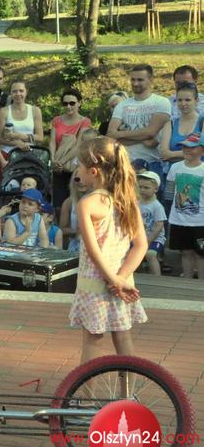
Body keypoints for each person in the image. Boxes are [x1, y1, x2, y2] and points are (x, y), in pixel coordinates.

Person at [70, 137, 147, 366]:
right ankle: (128, 387)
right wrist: (120, 279)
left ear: (93, 171)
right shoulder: (127, 200)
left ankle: (86, 389)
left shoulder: (87, 204)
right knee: (123, 336)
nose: (77, 171)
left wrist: (112, 280)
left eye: (79, 165)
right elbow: (141, 245)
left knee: (92, 341)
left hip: (94, 284)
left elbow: (93, 252)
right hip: (122, 282)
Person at [106, 64, 171, 189]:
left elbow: (151, 132)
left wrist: (121, 134)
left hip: (152, 164)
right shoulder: (122, 105)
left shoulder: (161, 102)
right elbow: (111, 134)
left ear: (151, 80)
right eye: (133, 79)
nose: (135, 83)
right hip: (126, 163)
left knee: (151, 201)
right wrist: (143, 138)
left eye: (140, 80)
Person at [166, 135, 204, 279]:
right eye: (185, 146)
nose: (187, 149)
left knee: (201, 254)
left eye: (192, 147)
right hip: (179, 220)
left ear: (202, 151)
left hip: (200, 222)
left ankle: (200, 285)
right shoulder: (175, 167)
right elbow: (170, 191)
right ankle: (187, 282)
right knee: (185, 252)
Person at [49, 89, 92, 210]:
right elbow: (52, 142)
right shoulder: (57, 120)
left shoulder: (85, 121)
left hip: (75, 166)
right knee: (58, 204)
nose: (68, 106)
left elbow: (79, 144)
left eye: (72, 103)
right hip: (58, 167)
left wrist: (60, 162)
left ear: (79, 103)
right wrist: (53, 160)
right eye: (65, 103)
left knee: (75, 202)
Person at [0, 81, 44, 155]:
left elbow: (40, 137)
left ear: (26, 92)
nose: (18, 94)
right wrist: (16, 143)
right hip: (9, 153)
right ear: (10, 93)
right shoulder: (3, 111)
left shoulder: (35, 110)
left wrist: (20, 136)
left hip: (29, 153)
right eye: (14, 91)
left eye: (21, 91)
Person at [136, 171, 166, 276]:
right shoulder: (136, 203)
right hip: (139, 237)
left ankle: (157, 279)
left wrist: (148, 240)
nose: (142, 190)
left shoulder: (157, 206)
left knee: (150, 254)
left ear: (156, 189)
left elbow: (159, 225)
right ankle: (137, 277)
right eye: (140, 187)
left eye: (146, 188)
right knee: (132, 253)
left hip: (155, 239)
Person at [61, 170, 89, 253]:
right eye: (77, 179)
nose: (81, 182)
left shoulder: (98, 200)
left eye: (84, 178)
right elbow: (62, 229)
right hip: (75, 245)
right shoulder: (68, 202)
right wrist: (75, 231)